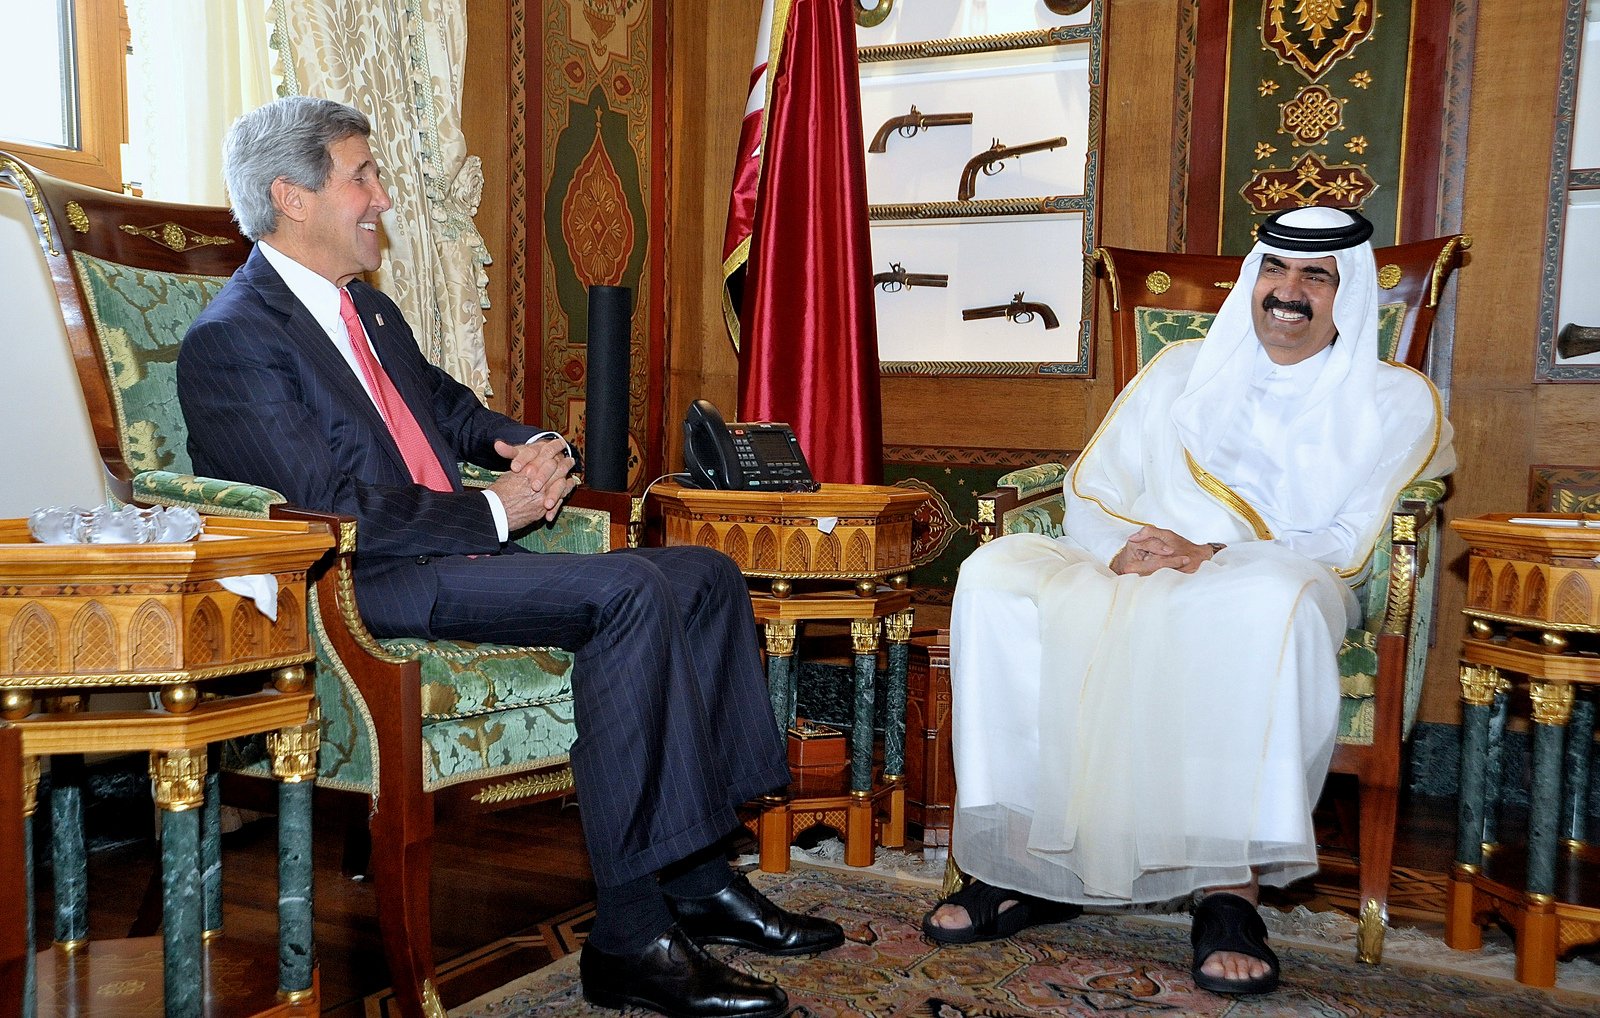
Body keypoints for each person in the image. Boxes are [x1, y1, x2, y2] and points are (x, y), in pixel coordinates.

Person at [178, 95, 842, 1018]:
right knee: (629, 592)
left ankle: (698, 878)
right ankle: (630, 935)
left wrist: (519, 444)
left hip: (446, 554)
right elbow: (328, 511)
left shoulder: (364, 312)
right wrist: (494, 511)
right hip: (370, 587)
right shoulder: (234, 340)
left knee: (702, 572)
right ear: (291, 196)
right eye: (360, 176)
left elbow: (447, 409)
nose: (381, 198)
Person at [922, 206, 1455, 995]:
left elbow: (1349, 540)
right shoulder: (1178, 371)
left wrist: (1214, 554)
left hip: (1281, 573)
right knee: (995, 575)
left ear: (1346, 295)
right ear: (1252, 279)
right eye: (1275, 269)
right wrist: (1125, 548)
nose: (1289, 290)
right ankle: (1025, 863)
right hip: (1139, 557)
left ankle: (1229, 892)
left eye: (1317, 276)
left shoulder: (1392, 399)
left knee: (1258, 603)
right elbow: (1093, 489)